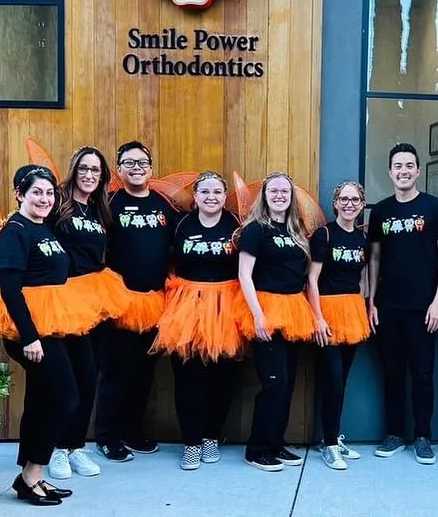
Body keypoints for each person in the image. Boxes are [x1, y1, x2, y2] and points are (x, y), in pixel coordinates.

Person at [0, 165, 103, 506]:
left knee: (42, 400)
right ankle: (31, 475)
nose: (44, 198)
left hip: (54, 323)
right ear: (19, 194)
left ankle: (31, 476)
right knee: (64, 398)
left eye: (49, 193)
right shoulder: (15, 231)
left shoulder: (44, 227)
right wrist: (29, 338)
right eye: (36, 192)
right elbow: (10, 291)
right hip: (30, 330)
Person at [368, 143, 438, 465]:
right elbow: (374, 258)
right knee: (392, 372)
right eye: (398, 166)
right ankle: (394, 434)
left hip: (424, 307)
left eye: (409, 165)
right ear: (390, 172)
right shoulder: (380, 211)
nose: (403, 171)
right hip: (388, 307)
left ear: (418, 171)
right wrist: (372, 301)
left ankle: (422, 436)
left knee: (422, 374)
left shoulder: (435, 208)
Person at [150, 171, 242, 471]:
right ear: (196, 196)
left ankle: (211, 437)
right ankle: (191, 442)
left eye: (217, 192)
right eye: (204, 191)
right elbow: (163, 257)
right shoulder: (181, 224)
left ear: (224, 196)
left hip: (225, 306)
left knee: (222, 378)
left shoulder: (236, 225)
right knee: (187, 378)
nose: (211, 197)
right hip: (186, 305)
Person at [94, 141, 175, 463]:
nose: (136, 167)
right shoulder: (109, 204)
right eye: (129, 162)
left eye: (142, 162)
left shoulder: (164, 205)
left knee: (143, 372)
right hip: (120, 302)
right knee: (115, 371)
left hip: (155, 303)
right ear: (119, 169)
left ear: (151, 168)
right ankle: (107, 436)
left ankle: (131, 431)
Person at [46, 146, 123, 480]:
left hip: (97, 298)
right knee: (68, 381)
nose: (90, 175)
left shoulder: (100, 210)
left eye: (96, 170)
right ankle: (57, 448)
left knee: (90, 377)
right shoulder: (57, 204)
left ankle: (76, 446)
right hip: (64, 299)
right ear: (74, 170)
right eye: (84, 168)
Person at [234, 172, 317, 472]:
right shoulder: (255, 229)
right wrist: (258, 315)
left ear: (292, 197)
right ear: (265, 195)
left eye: (285, 191)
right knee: (274, 383)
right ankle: (256, 450)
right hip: (266, 309)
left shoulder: (296, 231)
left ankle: (275, 443)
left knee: (287, 383)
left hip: (293, 311)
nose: (280, 195)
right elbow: (244, 275)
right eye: (274, 190)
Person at [308, 181, 370, 470]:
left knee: (342, 380)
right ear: (335, 203)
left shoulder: (362, 238)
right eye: (343, 199)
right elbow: (312, 279)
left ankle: (332, 437)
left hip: (352, 311)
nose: (349, 204)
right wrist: (318, 317)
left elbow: (362, 278)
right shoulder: (324, 234)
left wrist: (364, 307)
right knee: (332, 379)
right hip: (328, 311)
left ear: (362, 205)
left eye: (355, 200)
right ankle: (330, 444)